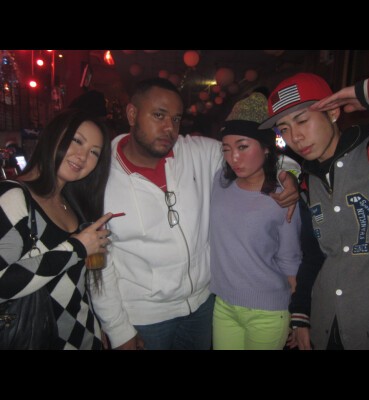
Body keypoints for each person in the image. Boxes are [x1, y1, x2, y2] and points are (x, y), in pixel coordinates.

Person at [91, 78, 300, 350]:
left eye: (176, 119)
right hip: (144, 317)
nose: (169, 128)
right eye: (159, 115)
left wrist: (289, 175)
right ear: (132, 114)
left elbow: (257, 155)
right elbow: (98, 264)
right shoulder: (100, 177)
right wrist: (117, 330)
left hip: (203, 306)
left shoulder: (197, 153)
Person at [259, 69, 369, 350]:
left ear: (333, 112)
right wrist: (301, 315)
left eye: (302, 120)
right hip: (328, 324)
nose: (295, 137)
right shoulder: (307, 183)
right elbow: (314, 256)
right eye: (284, 129)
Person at [0, 108, 112, 349]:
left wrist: (96, 325)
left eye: (94, 152)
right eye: (77, 141)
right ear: (52, 136)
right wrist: (77, 248)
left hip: (84, 337)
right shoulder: (14, 196)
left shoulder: (71, 203)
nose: (83, 156)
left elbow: (77, 286)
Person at [210, 92, 301, 350]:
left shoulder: (282, 195)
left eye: (242, 147)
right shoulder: (219, 182)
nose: (233, 158)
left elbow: (290, 258)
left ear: (265, 147)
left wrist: (297, 316)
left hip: (268, 310)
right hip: (223, 304)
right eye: (226, 149)